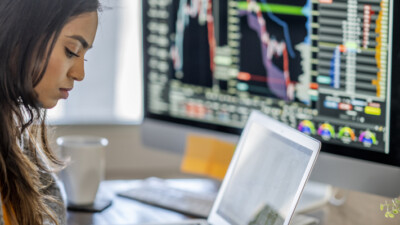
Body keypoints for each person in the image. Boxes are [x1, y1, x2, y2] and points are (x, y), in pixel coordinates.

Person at [0, 0, 100, 224]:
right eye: (71, 51)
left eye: (84, 55)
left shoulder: (15, 141)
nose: (79, 73)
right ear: (22, 32)